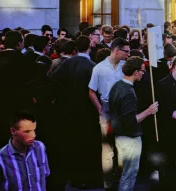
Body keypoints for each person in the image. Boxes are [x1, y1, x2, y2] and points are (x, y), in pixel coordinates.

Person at [49, 35, 103, 188]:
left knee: (72, 145)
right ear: (89, 47)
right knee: (88, 146)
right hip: (87, 113)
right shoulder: (92, 66)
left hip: (68, 112)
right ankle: (89, 178)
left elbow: (53, 80)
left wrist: (60, 99)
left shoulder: (67, 63)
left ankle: (75, 178)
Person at [109, 57, 159, 191]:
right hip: (130, 138)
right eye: (142, 71)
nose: (144, 73)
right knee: (129, 175)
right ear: (136, 72)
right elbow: (130, 120)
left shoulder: (117, 86)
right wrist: (149, 111)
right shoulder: (128, 92)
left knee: (125, 173)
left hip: (120, 136)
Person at [88, 37, 130, 190]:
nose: (128, 54)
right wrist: (100, 109)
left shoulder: (125, 67)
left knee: (123, 146)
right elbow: (91, 92)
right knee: (108, 148)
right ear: (117, 51)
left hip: (123, 109)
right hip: (107, 109)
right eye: (126, 51)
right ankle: (108, 183)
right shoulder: (99, 68)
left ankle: (120, 179)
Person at [0, 112, 50, 190]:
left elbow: (45, 176)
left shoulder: (40, 148)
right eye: (27, 132)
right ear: (13, 131)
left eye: (34, 131)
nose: (33, 135)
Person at [155, 54, 176, 191]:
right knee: (169, 163)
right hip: (168, 131)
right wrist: (170, 113)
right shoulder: (162, 84)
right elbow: (159, 107)